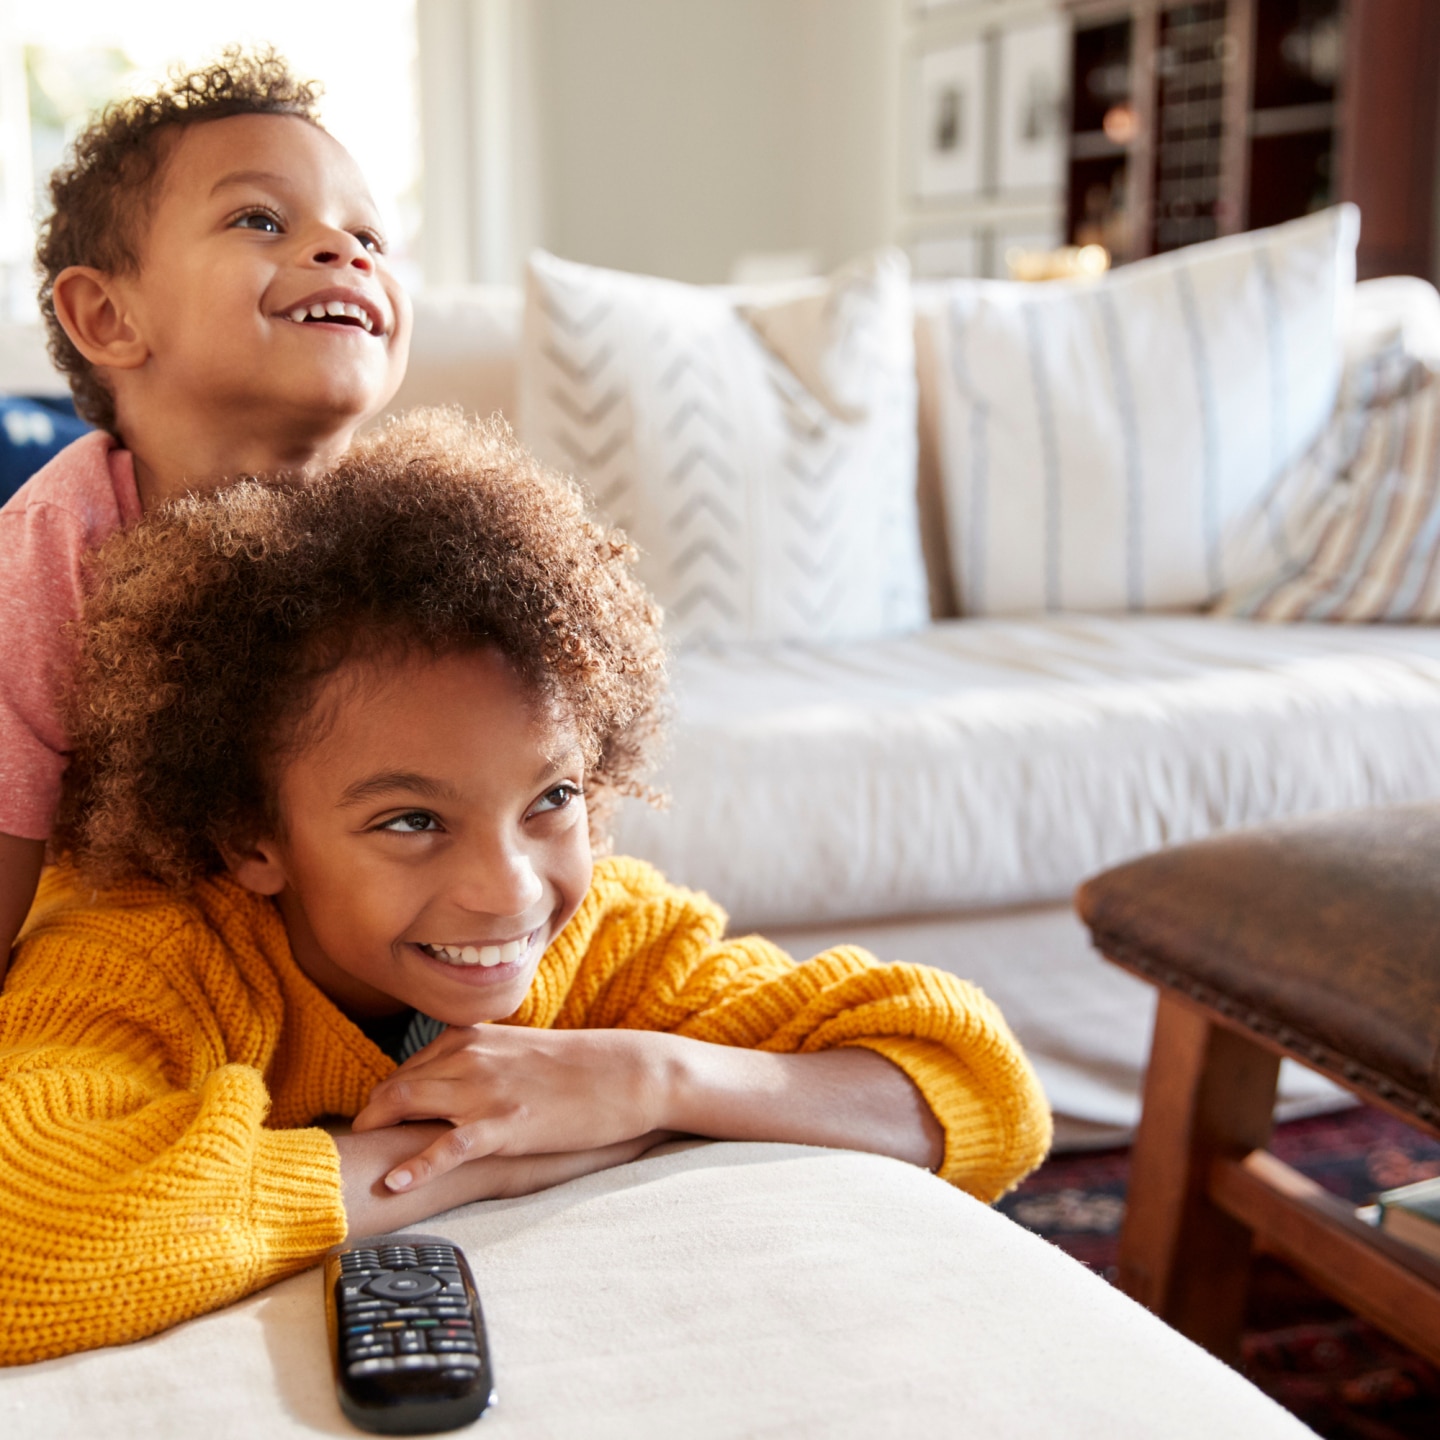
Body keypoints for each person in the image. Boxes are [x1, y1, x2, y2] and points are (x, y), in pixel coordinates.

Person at [0, 412, 1051, 1363]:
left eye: (548, 799)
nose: (508, 894)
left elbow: (981, 1085)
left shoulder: (597, 933)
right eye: (411, 821)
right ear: (251, 836)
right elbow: (21, 1233)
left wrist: (646, 1082)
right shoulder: (147, 950)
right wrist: (466, 1166)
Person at [0, 48, 411, 975]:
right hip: (154, 939)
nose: (345, 250)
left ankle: (663, 1074)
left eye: (371, 240)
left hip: (396, 938)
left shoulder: (423, 533)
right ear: (107, 318)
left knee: (641, 938)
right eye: (261, 218)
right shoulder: (54, 552)